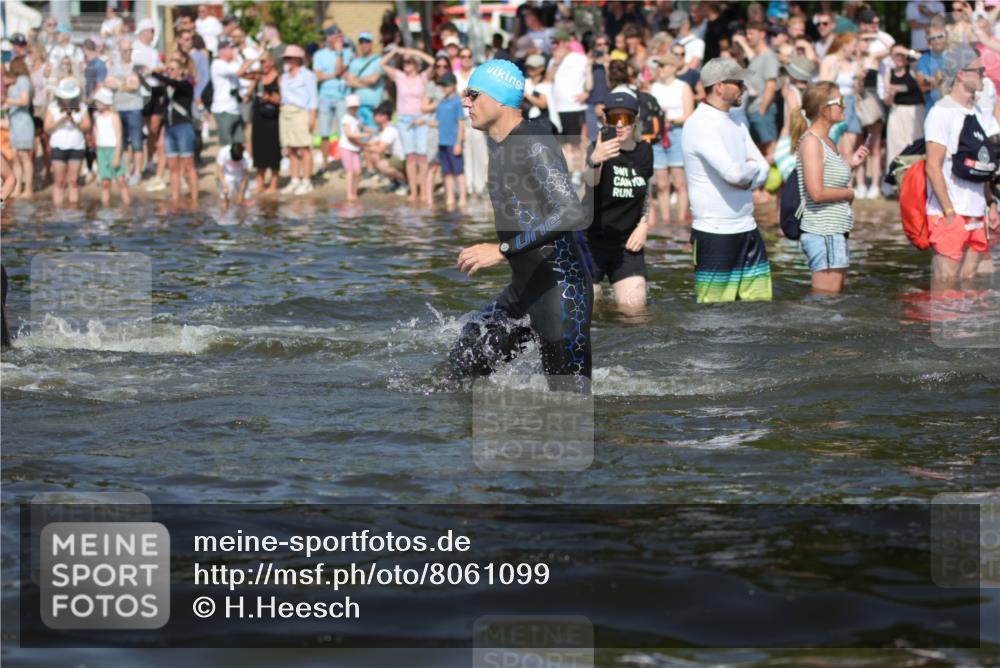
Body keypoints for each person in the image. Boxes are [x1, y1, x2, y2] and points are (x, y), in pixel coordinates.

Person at [450, 60, 592, 393]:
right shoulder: (500, 143)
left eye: (473, 94)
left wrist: (501, 250)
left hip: (561, 291)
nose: (465, 102)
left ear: (499, 99)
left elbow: (571, 213)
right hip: (524, 290)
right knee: (463, 364)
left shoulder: (534, 142)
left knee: (569, 405)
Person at [681, 58, 772, 303]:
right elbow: (733, 174)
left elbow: (763, 168)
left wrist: (748, 175)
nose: (744, 87)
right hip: (715, 231)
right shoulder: (699, 124)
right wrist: (749, 172)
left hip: (747, 227)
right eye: (738, 82)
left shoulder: (737, 121)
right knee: (715, 316)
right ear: (719, 86)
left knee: (759, 308)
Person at [924, 49, 1000, 291]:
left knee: (973, 288)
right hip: (950, 212)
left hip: (978, 212)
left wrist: (991, 203)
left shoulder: (978, 111)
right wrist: (948, 212)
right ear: (960, 74)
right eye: (978, 71)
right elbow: (933, 167)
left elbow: (984, 163)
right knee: (945, 289)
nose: (983, 75)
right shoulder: (941, 112)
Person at [791, 82, 870, 294]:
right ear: (823, 108)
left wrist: (851, 165)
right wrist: (849, 193)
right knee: (824, 305)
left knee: (833, 302)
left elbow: (828, 180)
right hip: (822, 232)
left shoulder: (827, 141)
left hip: (834, 231)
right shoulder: (812, 142)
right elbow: (816, 192)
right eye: (840, 102)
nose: (845, 106)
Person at [582, 92, 653, 310]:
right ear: (605, 121)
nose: (620, 124)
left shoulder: (645, 151)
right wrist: (595, 161)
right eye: (614, 119)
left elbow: (647, 192)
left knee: (634, 309)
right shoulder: (598, 149)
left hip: (626, 245)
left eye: (626, 118)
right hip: (591, 241)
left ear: (635, 121)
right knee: (588, 309)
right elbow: (590, 182)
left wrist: (643, 225)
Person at [381, 46, 435, 204]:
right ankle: (413, 190)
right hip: (404, 121)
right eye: (405, 63)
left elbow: (434, 62)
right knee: (410, 156)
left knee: (423, 156)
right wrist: (396, 52)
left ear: (417, 65)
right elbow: (382, 64)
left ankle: (424, 190)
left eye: (410, 62)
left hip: (421, 119)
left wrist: (416, 52)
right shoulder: (399, 76)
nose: (407, 65)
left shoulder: (423, 77)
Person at [649, 54, 694, 226]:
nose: (659, 69)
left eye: (663, 66)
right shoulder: (654, 87)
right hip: (658, 137)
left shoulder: (683, 87)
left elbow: (689, 114)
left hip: (677, 134)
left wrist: (671, 120)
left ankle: (681, 221)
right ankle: (666, 222)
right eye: (659, 66)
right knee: (661, 184)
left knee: (680, 183)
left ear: (673, 68)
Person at [152, 55, 198, 207]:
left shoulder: (185, 85)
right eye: (168, 69)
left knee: (188, 164)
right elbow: (153, 91)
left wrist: (153, 72)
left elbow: (172, 82)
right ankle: (175, 197)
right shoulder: (166, 89)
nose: (169, 72)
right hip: (170, 129)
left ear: (180, 70)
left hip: (183, 127)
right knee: (172, 166)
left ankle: (194, 198)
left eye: (172, 69)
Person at [546, 27, 590, 185]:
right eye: (553, 43)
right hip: (557, 108)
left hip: (574, 107)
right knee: (564, 143)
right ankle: (570, 171)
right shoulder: (553, 60)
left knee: (577, 143)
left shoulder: (579, 58)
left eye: (557, 43)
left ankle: (578, 173)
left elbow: (589, 79)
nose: (554, 46)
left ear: (565, 43)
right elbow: (547, 80)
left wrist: (586, 92)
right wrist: (556, 62)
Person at [314, 26, 354, 174]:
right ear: (328, 37)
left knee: (345, 132)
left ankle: (346, 164)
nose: (339, 38)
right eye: (336, 36)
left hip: (342, 97)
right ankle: (325, 163)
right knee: (325, 133)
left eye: (340, 35)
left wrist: (339, 54)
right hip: (324, 97)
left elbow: (340, 70)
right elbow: (318, 76)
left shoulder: (347, 52)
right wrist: (334, 75)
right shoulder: (319, 55)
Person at [44, 79, 91, 207]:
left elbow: (87, 126)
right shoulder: (53, 106)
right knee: (59, 181)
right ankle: (58, 211)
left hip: (76, 146)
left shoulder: (81, 107)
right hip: (58, 146)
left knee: (73, 180)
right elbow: (47, 127)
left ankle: (73, 210)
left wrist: (74, 122)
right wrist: (61, 120)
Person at [279, 45, 319, 195]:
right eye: (286, 58)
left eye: (290, 57)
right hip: (286, 112)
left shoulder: (307, 75)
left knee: (304, 148)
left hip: (301, 112)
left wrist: (312, 117)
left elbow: (313, 97)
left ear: (298, 59)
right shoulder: (284, 76)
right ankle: (294, 179)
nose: (288, 60)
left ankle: (306, 180)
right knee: (290, 148)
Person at [739, 21, 781, 163]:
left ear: (762, 34)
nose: (747, 36)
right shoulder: (756, 57)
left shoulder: (769, 56)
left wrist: (763, 108)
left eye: (751, 33)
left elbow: (771, 83)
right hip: (752, 110)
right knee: (757, 152)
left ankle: (775, 185)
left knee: (770, 150)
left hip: (762, 110)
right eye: (746, 33)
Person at [105, 38, 145, 186]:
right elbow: (107, 82)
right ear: (120, 51)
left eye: (129, 50)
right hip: (119, 108)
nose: (127, 53)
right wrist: (123, 83)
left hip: (134, 107)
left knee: (137, 142)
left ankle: (137, 172)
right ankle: (127, 171)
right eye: (125, 50)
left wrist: (119, 84)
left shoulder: (135, 67)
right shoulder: (114, 67)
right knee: (122, 142)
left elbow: (135, 85)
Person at [820, 33, 864, 163]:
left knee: (849, 149)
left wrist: (859, 79)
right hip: (834, 104)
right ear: (844, 45)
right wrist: (834, 72)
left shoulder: (854, 62)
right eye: (854, 46)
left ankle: (848, 181)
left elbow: (858, 90)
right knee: (835, 148)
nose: (857, 49)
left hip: (851, 104)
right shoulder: (829, 59)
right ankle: (835, 181)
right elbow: (823, 85)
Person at [884, 46, 926, 167]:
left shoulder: (913, 70)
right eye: (896, 55)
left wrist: (905, 51)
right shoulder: (889, 73)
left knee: (915, 144)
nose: (899, 58)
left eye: (902, 55)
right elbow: (887, 100)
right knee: (896, 146)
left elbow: (921, 58)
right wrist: (891, 94)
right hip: (897, 112)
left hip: (915, 111)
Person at [421, 56, 453, 206]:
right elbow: (424, 107)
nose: (441, 69)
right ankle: (428, 199)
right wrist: (438, 104)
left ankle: (449, 199)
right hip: (435, 128)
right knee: (432, 164)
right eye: (438, 66)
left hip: (448, 127)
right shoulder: (432, 85)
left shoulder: (451, 84)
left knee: (447, 164)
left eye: (444, 66)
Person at [432, 71, 466, 210]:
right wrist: (422, 122)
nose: (444, 87)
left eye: (446, 84)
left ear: (454, 85)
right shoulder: (441, 103)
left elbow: (461, 124)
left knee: (458, 172)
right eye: (442, 85)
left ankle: (462, 198)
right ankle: (450, 198)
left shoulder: (457, 101)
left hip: (453, 142)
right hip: (442, 143)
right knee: (446, 172)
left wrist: (459, 142)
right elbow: (438, 122)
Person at [92, 87, 131, 208]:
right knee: (105, 182)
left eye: (100, 102)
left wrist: (117, 157)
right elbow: (96, 135)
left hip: (114, 149)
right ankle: (105, 208)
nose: (97, 104)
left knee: (120, 180)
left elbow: (119, 137)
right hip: (101, 150)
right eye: (97, 102)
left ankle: (127, 206)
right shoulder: (96, 116)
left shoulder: (114, 116)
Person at [248, 52, 281, 194]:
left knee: (272, 150)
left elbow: (281, 99)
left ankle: (273, 184)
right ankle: (260, 183)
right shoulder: (258, 76)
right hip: (258, 117)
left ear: (272, 62)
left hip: (272, 117)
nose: (262, 65)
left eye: (264, 61)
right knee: (259, 150)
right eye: (261, 62)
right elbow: (240, 73)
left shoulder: (278, 77)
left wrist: (269, 98)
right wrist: (254, 58)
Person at [6, 58, 35, 200]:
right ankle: (17, 187)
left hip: (23, 122)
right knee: (16, 157)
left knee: (24, 156)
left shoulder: (23, 80)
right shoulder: (16, 81)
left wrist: (6, 101)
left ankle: (28, 188)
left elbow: (25, 100)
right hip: (15, 122)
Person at [345, 33, 385, 134]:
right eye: (361, 42)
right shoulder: (355, 62)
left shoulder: (378, 60)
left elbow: (373, 80)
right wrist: (366, 83)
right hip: (357, 106)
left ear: (371, 44)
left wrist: (356, 79)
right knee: (358, 135)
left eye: (366, 42)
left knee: (374, 134)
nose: (364, 45)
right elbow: (349, 81)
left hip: (373, 106)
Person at [366, 102, 407, 191]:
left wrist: (363, 147)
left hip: (402, 159)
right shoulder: (383, 129)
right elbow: (372, 143)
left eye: (376, 114)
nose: (373, 117)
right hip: (395, 158)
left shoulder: (390, 129)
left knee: (380, 162)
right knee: (374, 155)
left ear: (384, 117)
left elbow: (379, 149)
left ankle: (406, 181)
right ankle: (395, 182)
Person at [210, 39, 244, 147]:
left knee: (238, 143)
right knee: (227, 144)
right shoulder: (217, 63)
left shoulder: (231, 63)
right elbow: (239, 72)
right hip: (223, 109)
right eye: (231, 48)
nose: (234, 50)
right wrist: (249, 61)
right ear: (222, 50)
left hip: (235, 108)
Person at [339, 94, 368, 202]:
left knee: (358, 171)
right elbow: (349, 134)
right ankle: (349, 194)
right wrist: (363, 136)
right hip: (346, 147)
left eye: (356, 107)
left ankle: (354, 192)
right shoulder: (346, 119)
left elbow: (361, 126)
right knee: (350, 171)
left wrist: (371, 131)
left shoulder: (358, 118)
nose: (354, 109)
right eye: (352, 107)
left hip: (355, 148)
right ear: (348, 107)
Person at [917, 19, 948, 108]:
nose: (937, 41)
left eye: (940, 36)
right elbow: (922, 86)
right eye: (932, 38)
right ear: (928, 42)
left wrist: (931, 80)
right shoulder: (924, 58)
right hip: (933, 108)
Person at [216, 141, 250, 208]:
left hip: (240, 176)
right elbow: (219, 171)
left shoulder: (246, 156)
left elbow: (245, 176)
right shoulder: (223, 152)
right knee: (224, 201)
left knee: (244, 199)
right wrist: (224, 184)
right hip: (227, 176)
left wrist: (240, 194)